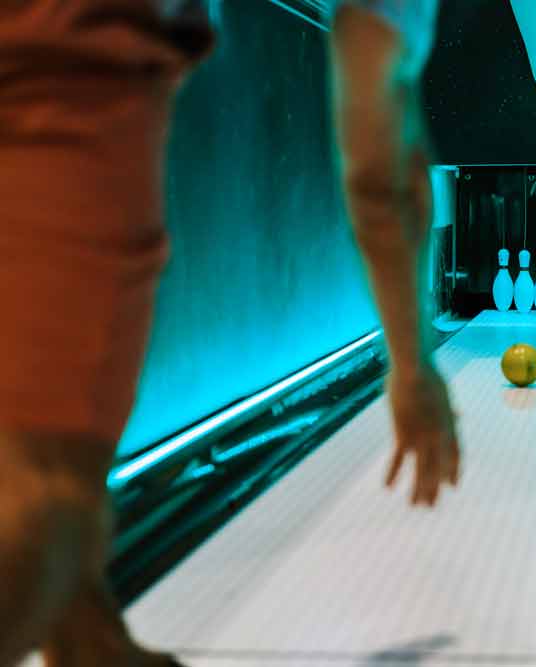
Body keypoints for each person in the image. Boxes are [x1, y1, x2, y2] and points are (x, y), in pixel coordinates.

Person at [0, 1, 458, 665]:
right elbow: (381, 172)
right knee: (52, 509)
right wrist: (413, 366)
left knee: (45, 477)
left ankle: (88, 636)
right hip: (66, 74)